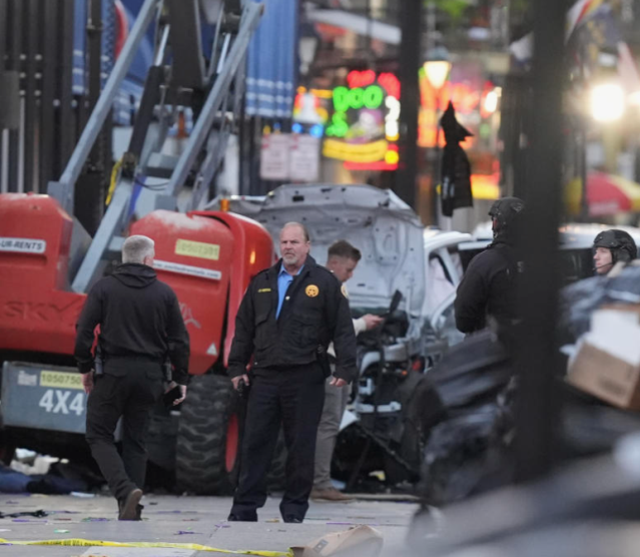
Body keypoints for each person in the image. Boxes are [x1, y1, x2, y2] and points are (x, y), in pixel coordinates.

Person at [227, 222, 357, 523]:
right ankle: (244, 508)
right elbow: (243, 328)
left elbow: (343, 329)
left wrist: (346, 368)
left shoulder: (325, 283)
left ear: (308, 246)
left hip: (305, 376)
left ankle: (295, 510)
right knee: (255, 443)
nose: (288, 247)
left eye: (294, 242)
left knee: (300, 446)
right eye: (284, 242)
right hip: (265, 376)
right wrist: (236, 366)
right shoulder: (262, 281)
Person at [74, 235, 190, 520]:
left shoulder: (104, 289)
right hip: (151, 377)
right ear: (149, 260)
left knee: (98, 434)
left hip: (113, 372)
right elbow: (180, 340)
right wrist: (180, 377)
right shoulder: (165, 293)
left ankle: (125, 491)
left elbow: (84, 331)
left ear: (125, 258)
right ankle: (131, 510)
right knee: (136, 441)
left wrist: (85, 367)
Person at [311, 240, 383, 502]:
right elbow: (334, 329)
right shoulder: (326, 288)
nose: (351, 275)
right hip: (329, 365)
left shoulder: (331, 287)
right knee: (328, 425)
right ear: (334, 263)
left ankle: (320, 481)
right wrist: (362, 324)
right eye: (349, 269)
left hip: (337, 364)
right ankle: (319, 484)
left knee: (329, 424)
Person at [454, 197, 524, 334]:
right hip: (536, 350)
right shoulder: (546, 263)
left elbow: (463, 320)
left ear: (498, 224)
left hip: (491, 349)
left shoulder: (484, 264)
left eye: (494, 220)